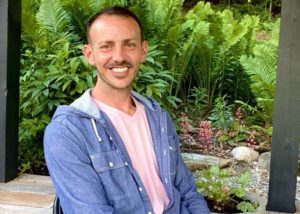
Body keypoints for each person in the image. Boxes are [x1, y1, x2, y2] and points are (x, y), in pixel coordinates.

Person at [44, 6, 210, 214]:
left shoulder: (158, 117)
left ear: (143, 51)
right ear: (89, 54)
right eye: (106, 46)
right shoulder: (68, 132)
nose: (119, 56)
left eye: (129, 45)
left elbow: (187, 191)